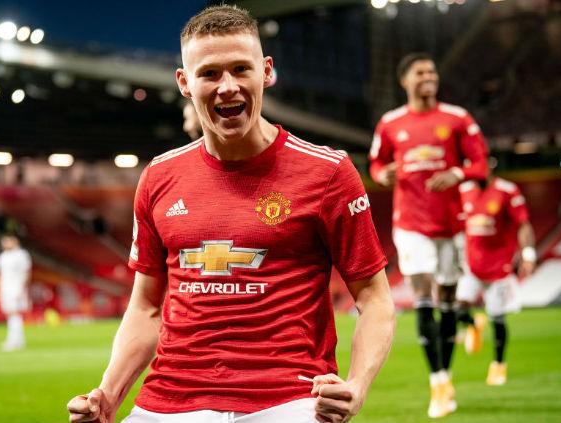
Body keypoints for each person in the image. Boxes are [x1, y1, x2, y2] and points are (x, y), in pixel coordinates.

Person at [67, 5, 396, 423]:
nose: (227, 87)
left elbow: (374, 298)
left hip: (288, 400)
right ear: (185, 83)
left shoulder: (328, 172)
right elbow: (146, 307)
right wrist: (109, 395)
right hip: (168, 401)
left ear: (266, 72)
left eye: (241, 69)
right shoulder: (158, 177)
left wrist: (357, 385)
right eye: (209, 73)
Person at [368, 52, 489, 418]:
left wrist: (458, 174)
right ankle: (436, 381)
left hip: (451, 223)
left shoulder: (457, 118)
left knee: (448, 301)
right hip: (411, 224)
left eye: (432, 72)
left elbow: (481, 163)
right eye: (420, 73)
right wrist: (382, 175)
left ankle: (446, 374)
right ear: (405, 80)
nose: (428, 77)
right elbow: (376, 162)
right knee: (423, 296)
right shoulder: (390, 123)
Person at [455, 174, 535, 386]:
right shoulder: (464, 190)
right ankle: (474, 323)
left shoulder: (507, 190)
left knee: (497, 319)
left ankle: (499, 365)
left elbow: (523, 224)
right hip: (472, 265)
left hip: (499, 268)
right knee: (458, 309)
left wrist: (528, 254)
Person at [0, 234, 32, 351]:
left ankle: (13, 341)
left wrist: (23, 288)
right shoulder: (2, 257)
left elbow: (27, 272)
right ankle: (18, 340)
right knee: (10, 313)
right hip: (5, 288)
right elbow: (0, 274)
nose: (5, 244)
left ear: (14, 241)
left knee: (14, 313)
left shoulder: (21, 255)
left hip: (17, 287)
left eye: (7, 241)